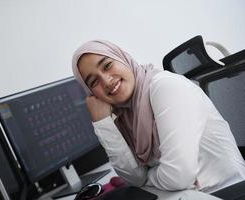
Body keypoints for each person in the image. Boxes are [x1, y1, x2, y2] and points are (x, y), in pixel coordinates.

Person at [71, 40, 245, 193]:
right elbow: (135, 178)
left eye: (107, 65)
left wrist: (148, 178)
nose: (106, 81)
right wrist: (103, 123)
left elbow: (178, 176)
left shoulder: (165, 88)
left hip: (226, 191)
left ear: (122, 58)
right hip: (187, 193)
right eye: (93, 82)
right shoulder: (126, 115)